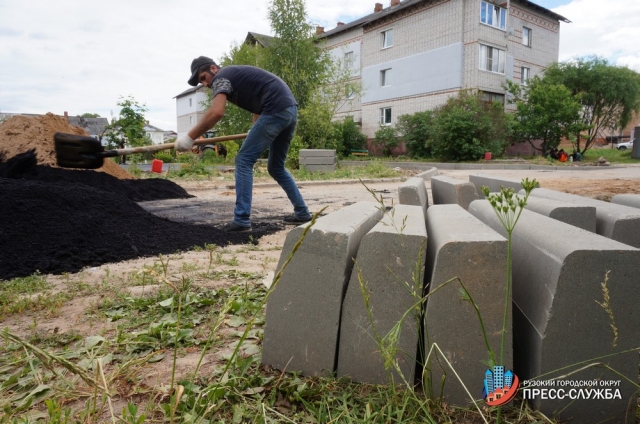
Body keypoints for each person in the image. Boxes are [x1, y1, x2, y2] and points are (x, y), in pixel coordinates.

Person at [175, 56, 312, 232]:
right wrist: (255, 130)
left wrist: (189, 137)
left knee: (243, 160)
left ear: (213, 69)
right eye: (201, 82)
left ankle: (241, 220)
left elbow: (216, 112)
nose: (205, 84)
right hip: (289, 111)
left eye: (203, 78)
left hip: (276, 109)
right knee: (276, 167)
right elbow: (257, 107)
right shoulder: (234, 76)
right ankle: (302, 213)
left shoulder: (221, 77)